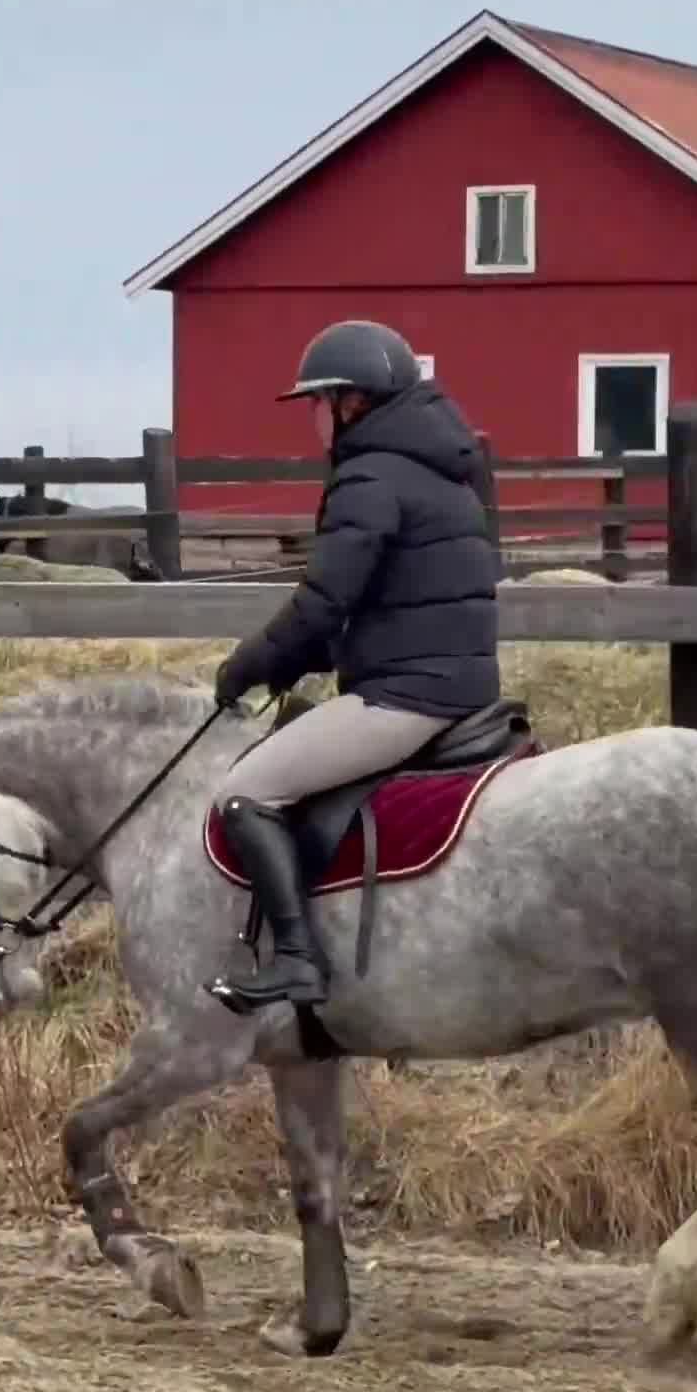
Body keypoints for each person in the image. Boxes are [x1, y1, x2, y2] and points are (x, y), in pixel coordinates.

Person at [203, 318, 503, 1012]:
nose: (311, 418)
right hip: (459, 683)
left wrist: (247, 665)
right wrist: (298, 663)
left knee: (246, 792)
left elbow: (321, 601)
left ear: (350, 401)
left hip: (406, 698)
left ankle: (300, 964)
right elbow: (372, 599)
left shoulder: (368, 476)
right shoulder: (440, 469)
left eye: (316, 401)